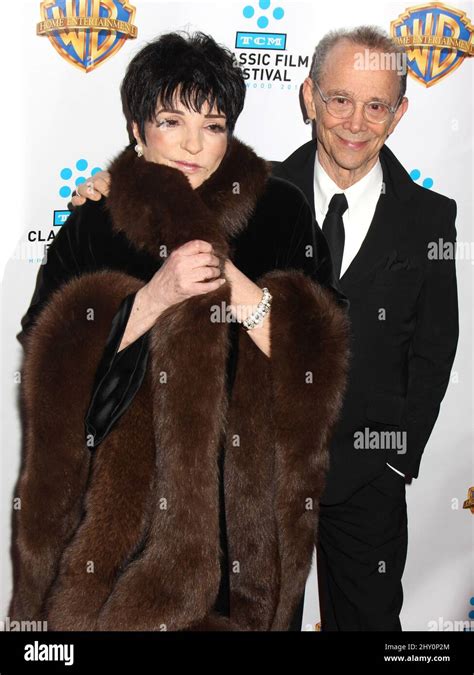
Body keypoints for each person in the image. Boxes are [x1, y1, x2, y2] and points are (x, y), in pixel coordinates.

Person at [74, 26, 459, 632]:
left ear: (400, 112)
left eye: (377, 104)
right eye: (339, 99)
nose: (356, 121)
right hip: (260, 476)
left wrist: (396, 459)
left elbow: (436, 347)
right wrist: (111, 186)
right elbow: (166, 196)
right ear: (309, 97)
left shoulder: (431, 217)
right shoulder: (253, 191)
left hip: (365, 478)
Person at [9, 32, 349, 632]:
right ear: (139, 128)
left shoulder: (281, 211)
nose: (194, 144)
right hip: (118, 520)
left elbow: (316, 367)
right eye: (172, 120)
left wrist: (233, 283)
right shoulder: (95, 220)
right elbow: (49, 362)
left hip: (243, 516)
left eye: (214, 125)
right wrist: (151, 298)